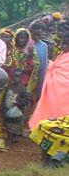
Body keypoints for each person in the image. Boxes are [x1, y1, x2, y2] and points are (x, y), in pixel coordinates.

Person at [28, 21, 69, 166]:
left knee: (60, 129)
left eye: (66, 43)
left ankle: (57, 157)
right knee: (47, 125)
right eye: (62, 43)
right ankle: (48, 156)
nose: (63, 46)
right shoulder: (62, 55)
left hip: (64, 102)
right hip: (52, 99)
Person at [29, 21, 50, 100]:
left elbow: (44, 64)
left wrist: (42, 78)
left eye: (39, 34)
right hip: (28, 74)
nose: (37, 36)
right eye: (35, 34)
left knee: (36, 95)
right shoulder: (27, 43)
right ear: (30, 32)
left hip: (39, 75)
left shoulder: (44, 46)